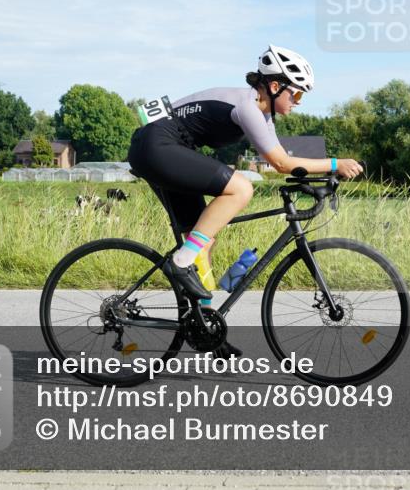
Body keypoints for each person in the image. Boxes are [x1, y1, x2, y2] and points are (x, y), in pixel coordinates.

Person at [126, 45, 363, 356]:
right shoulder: (248, 105)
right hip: (157, 144)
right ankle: (180, 263)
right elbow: (280, 164)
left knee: (200, 243)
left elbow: (285, 162)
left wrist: (317, 181)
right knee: (241, 189)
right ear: (275, 86)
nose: (298, 103)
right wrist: (335, 164)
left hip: (165, 146)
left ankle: (204, 329)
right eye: (297, 94)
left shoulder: (262, 115)